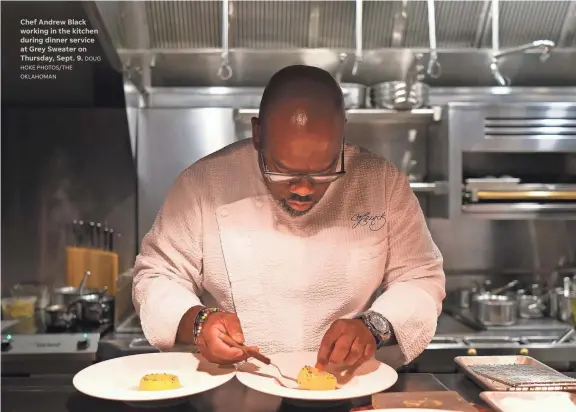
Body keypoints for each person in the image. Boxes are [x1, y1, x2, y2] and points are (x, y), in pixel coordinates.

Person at [133, 65, 445, 371]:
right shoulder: (204, 183)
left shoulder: (382, 182)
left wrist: (376, 326)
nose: (303, 188)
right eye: (282, 170)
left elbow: (420, 278)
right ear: (257, 135)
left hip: (347, 385)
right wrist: (198, 321)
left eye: (324, 171)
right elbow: (157, 276)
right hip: (236, 390)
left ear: (342, 137)